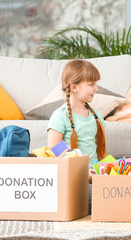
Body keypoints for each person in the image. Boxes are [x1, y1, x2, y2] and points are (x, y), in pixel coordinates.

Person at [47, 60, 107, 210]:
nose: (97, 88)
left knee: (119, 195)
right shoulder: (60, 116)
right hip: (73, 177)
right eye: (91, 84)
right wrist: (82, 171)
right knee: (102, 202)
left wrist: (115, 169)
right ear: (74, 87)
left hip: (96, 177)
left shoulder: (96, 116)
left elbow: (101, 155)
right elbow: (54, 149)